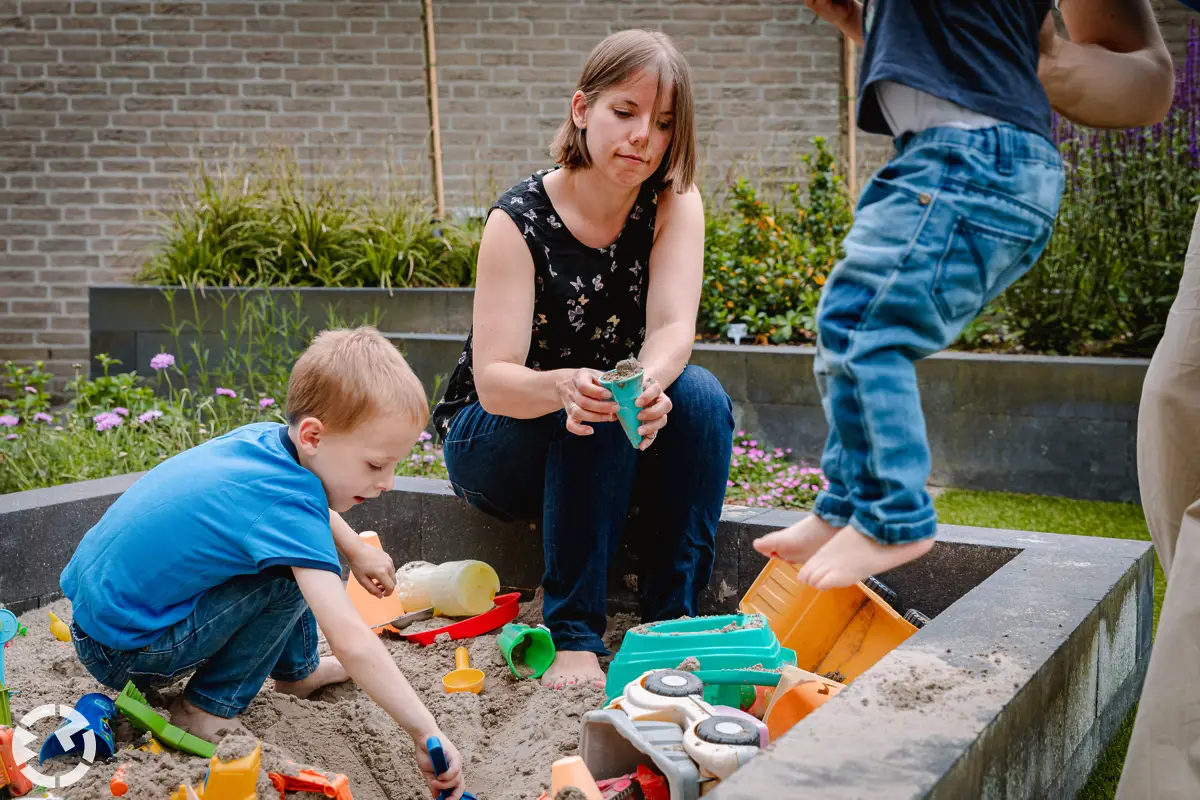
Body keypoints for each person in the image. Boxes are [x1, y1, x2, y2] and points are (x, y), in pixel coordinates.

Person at [753, 0, 1174, 590]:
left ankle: (894, 518)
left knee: (866, 333)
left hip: (970, 159)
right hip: (956, 159)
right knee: (847, 327)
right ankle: (847, 506)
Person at [431, 29, 733, 691]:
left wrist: (647, 386)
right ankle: (573, 636)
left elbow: (674, 326)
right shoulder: (517, 220)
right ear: (581, 109)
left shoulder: (674, 203)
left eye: (662, 124)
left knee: (701, 397)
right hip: (499, 436)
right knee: (594, 399)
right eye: (624, 113)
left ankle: (669, 622)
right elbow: (495, 381)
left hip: (604, 437)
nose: (642, 138)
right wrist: (572, 385)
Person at [61, 327, 466, 799]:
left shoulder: (264, 441)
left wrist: (354, 546)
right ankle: (205, 709)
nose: (389, 482)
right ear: (313, 435)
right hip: (129, 650)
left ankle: (298, 672)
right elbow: (352, 641)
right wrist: (424, 730)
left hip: (97, 621)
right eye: (376, 465)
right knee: (291, 576)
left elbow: (302, 506)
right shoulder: (288, 510)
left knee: (296, 557)